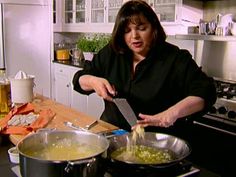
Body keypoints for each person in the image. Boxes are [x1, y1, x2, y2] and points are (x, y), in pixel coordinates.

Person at [73, 0, 216, 133]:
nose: (134, 36)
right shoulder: (112, 53)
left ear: (153, 28)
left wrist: (171, 114)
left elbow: (206, 92)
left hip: (155, 139)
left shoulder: (175, 58)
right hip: (112, 132)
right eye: (127, 31)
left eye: (141, 28)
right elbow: (78, 80)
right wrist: (93, 82)